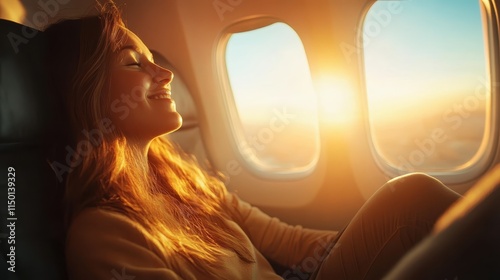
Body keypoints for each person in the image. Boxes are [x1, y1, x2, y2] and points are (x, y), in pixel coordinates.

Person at [44, 1, 460, 279]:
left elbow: (286, 242)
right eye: (135, 62)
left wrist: (380, 247)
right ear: (90, 93)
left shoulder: (181, 178)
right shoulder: (102, 234)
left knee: (408, 202)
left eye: (155, 60)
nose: (165, 75)